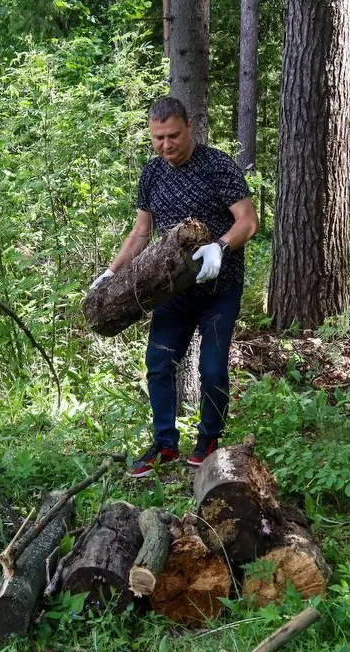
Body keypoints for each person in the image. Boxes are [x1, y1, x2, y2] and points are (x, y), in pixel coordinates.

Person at [92, 97, 259, 477]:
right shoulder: (152, 174)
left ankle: (209, 440)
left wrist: (220, 247)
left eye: (172, 136)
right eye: (158, 138)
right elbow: (141, 231)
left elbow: (248, 220)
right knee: (158, 363)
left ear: (189, 128)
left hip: (220, 288)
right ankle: (165, 444)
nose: (166, 145)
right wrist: (111, 272)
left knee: (213, 368)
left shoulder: (217, 165)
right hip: (171, 290)